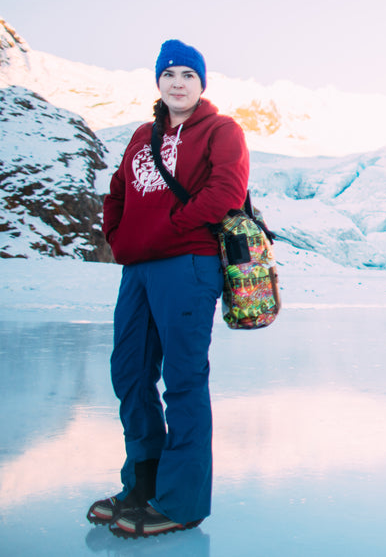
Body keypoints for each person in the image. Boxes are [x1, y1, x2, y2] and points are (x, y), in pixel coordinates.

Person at [87, 39, 249, 538]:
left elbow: (227, 191)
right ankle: (144, 483)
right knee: (130, 374)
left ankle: (181, 502)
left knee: (182, 382)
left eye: (188, 75)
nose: (178, 83)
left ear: (202, 84)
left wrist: (172, 227)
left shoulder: (222, 131)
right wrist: (119, 238)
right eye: (170, 74)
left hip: (189, 265)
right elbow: (117, 191)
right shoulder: (142, 135)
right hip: (137, 269)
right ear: (158, 82)